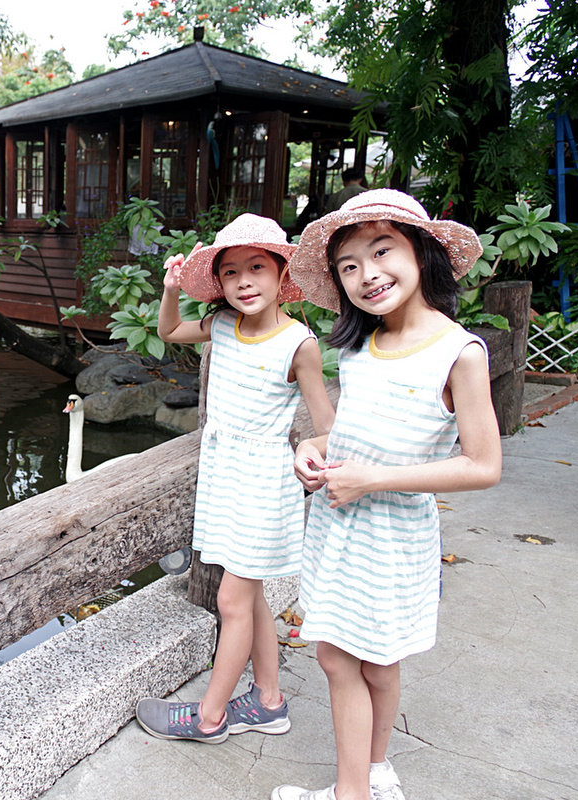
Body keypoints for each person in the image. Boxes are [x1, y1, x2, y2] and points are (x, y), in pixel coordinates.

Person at [273, 190, 502, 800]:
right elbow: (350, 433)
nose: (367, 274)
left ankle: (352, 793)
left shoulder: (459, 352)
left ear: (422, 254)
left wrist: (370, 479)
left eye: (382, 252)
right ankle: (374, 773)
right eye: (349, 265)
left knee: (343, 660)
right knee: (367, 659)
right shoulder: (361, 347)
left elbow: (482, 466)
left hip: (393, 539)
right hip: (338, 528)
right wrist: (312, 450)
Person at [136, 214, 335, 745]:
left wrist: (312, 453)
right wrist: (170, 290)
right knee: (251, 598)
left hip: (265, 484)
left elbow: (326, 426)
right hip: (225, 477)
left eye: (256, 268)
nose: (244, 281)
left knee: (231, 601)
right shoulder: (221, 325)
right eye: (230, 273)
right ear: (219, 285)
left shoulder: (299, 344)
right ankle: (269, 702)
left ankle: (209, 717)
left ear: (279, 274)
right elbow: (170, 330)